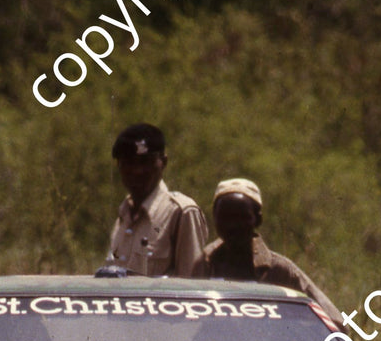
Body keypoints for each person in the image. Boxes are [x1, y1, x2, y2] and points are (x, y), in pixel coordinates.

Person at [193, 178, 342, 321]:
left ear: (258, 219)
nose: (232, 226)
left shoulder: (281, 271)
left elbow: (334, 321)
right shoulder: (203, 265)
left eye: (241, 218)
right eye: (225, 217)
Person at [104, 123, 209, 277]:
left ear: (163, 162)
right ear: (119, 166)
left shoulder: (181, 212)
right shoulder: (124, 214)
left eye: (145, 162)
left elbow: (192, 286)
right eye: (129, 163)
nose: (137, 171)